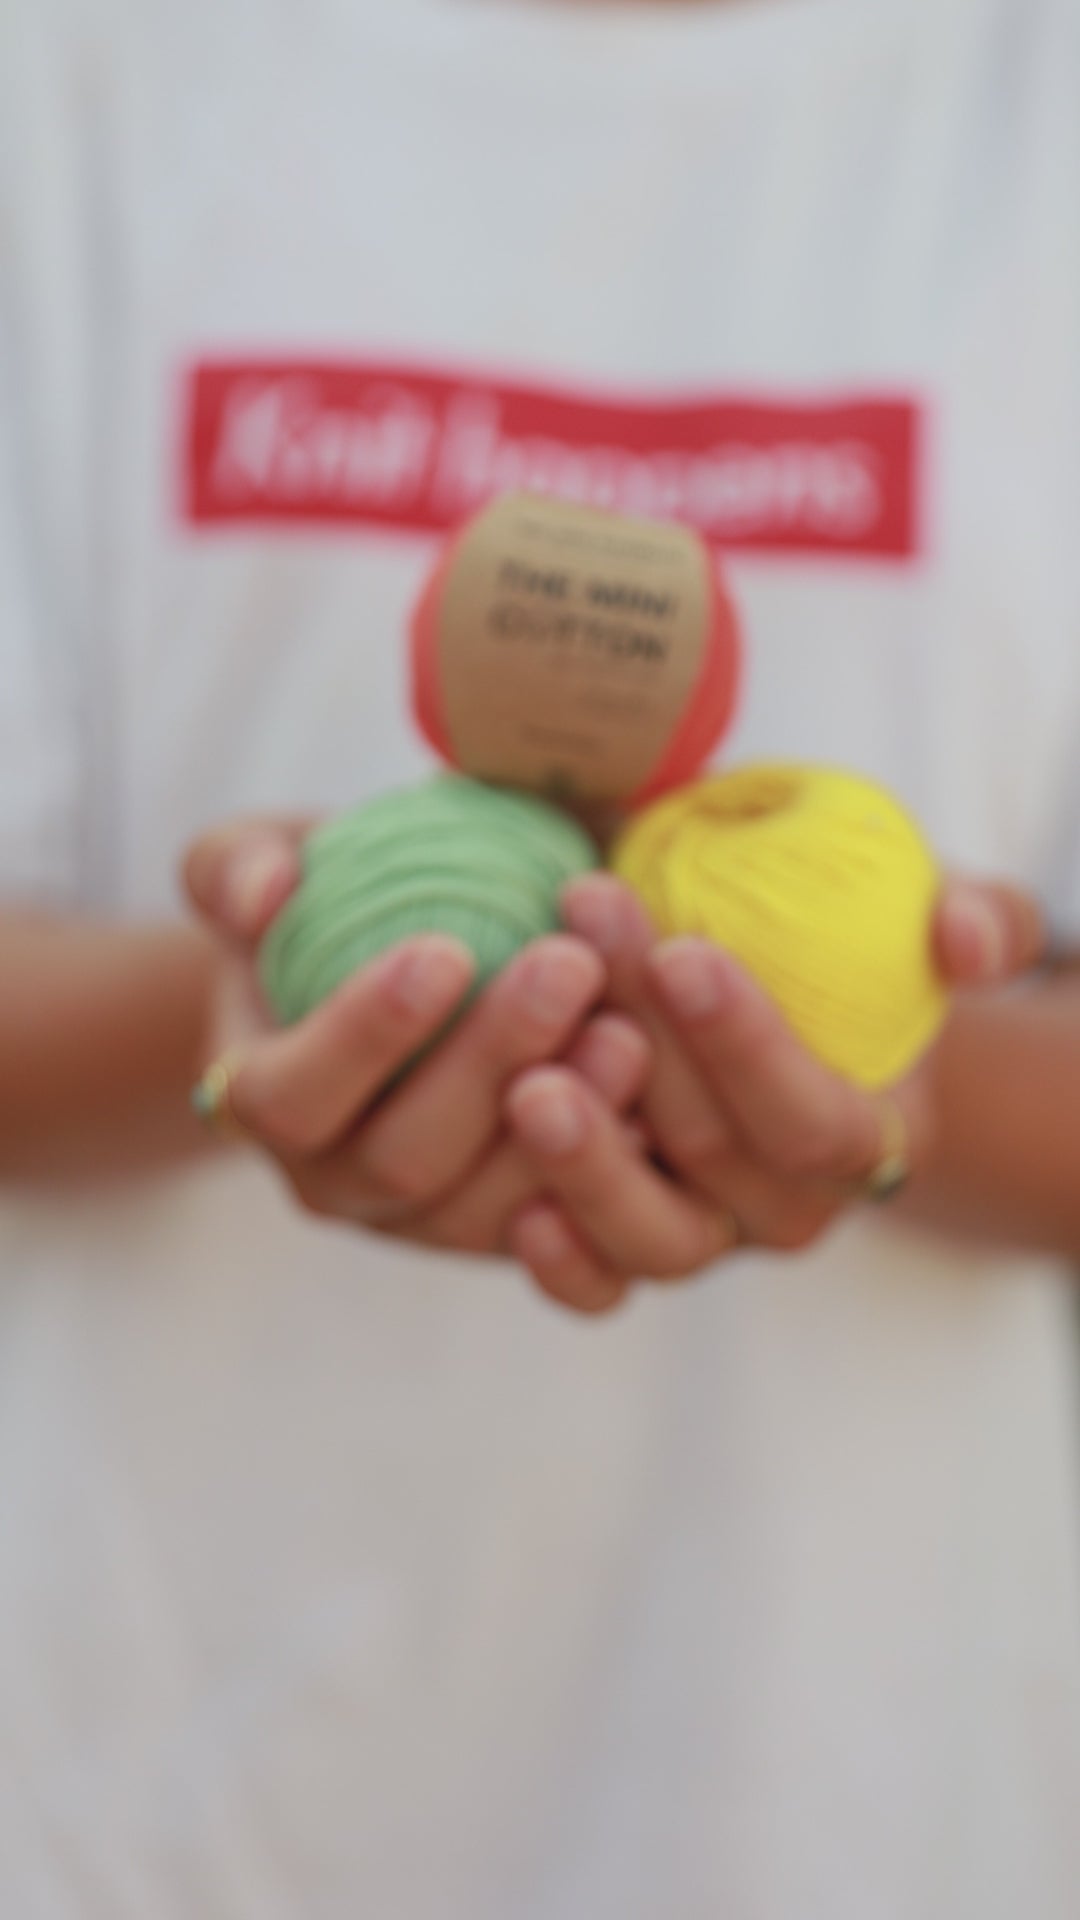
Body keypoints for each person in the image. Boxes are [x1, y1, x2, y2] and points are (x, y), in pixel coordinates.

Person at [2, 0, 1079, 1911]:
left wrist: (904, 1084)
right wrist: (245, 1000)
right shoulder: (79, 71)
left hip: (849, 1802)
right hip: (160, 1781)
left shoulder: (1030, 100)